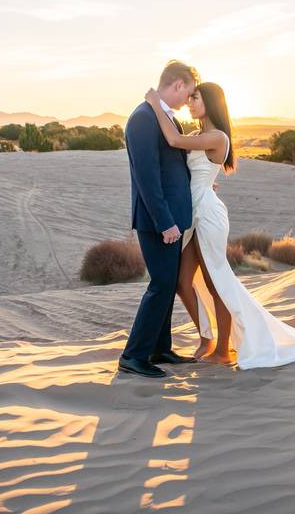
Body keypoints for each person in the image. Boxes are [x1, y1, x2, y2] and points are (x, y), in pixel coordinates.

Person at [142, 82, 295, 370]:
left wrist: (154, 103)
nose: (190, 103)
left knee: (217, 282)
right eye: (189, 98)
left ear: (211, 102)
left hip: (208, 214)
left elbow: (174, 141)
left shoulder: (217, 137)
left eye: (195, 98)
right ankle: (207, 339)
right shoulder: (198, 135)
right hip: (193, 213)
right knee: (182, 281)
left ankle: (223, 350)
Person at [117, 60, 202, 378]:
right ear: (178, 85)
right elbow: (147, 178)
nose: (188, 100)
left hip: (171, 219)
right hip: (157, 222)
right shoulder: (143, 118)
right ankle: (134, 355)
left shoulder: (165, 118)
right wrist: (165, 221)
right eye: (188, 93)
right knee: (161, 284)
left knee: (167, 285)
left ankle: (159, 348)